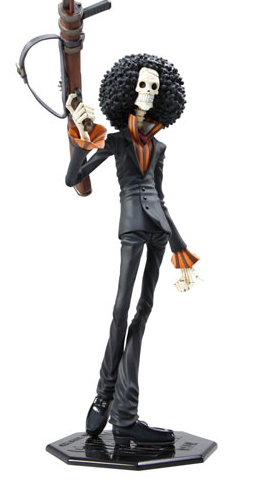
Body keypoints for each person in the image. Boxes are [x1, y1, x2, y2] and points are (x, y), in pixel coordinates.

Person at [65, 53, 200, 445]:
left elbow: (161, 198)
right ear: (127, 89)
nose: (148, 93)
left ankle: (125, 414)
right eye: (142, 85)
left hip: (158, 232)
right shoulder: (116, 141)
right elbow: (74, 177)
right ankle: (103, 395)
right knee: (120, 312)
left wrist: (180, 248)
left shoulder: (159, 148)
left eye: (154, 87)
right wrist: (81, 138)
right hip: (131, 229)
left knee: (143, 312)